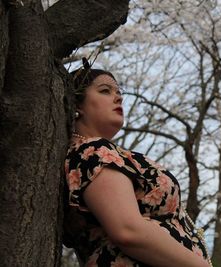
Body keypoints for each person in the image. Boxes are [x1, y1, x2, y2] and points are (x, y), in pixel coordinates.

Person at [63, 59, 212, 267]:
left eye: (118, 92)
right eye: (105, 91)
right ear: (78, 104)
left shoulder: (102, 152)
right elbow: (127, 230)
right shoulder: (93, 152)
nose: (118, 97)